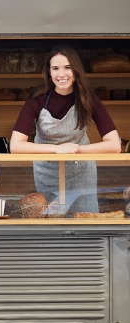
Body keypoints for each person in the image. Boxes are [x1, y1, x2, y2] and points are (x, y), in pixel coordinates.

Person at [10, 45, 120, 215]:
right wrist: (57, 149)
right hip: (46, 174)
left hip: (81, 173)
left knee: (85, 224)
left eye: (67, 68)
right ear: (49, 72)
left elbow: (114, 145)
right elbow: (16, 146)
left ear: (76, 70)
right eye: (55, 68)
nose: (61, 74)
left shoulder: (88, 98)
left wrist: (77, 149)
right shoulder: (36, 99)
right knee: (51, 225)